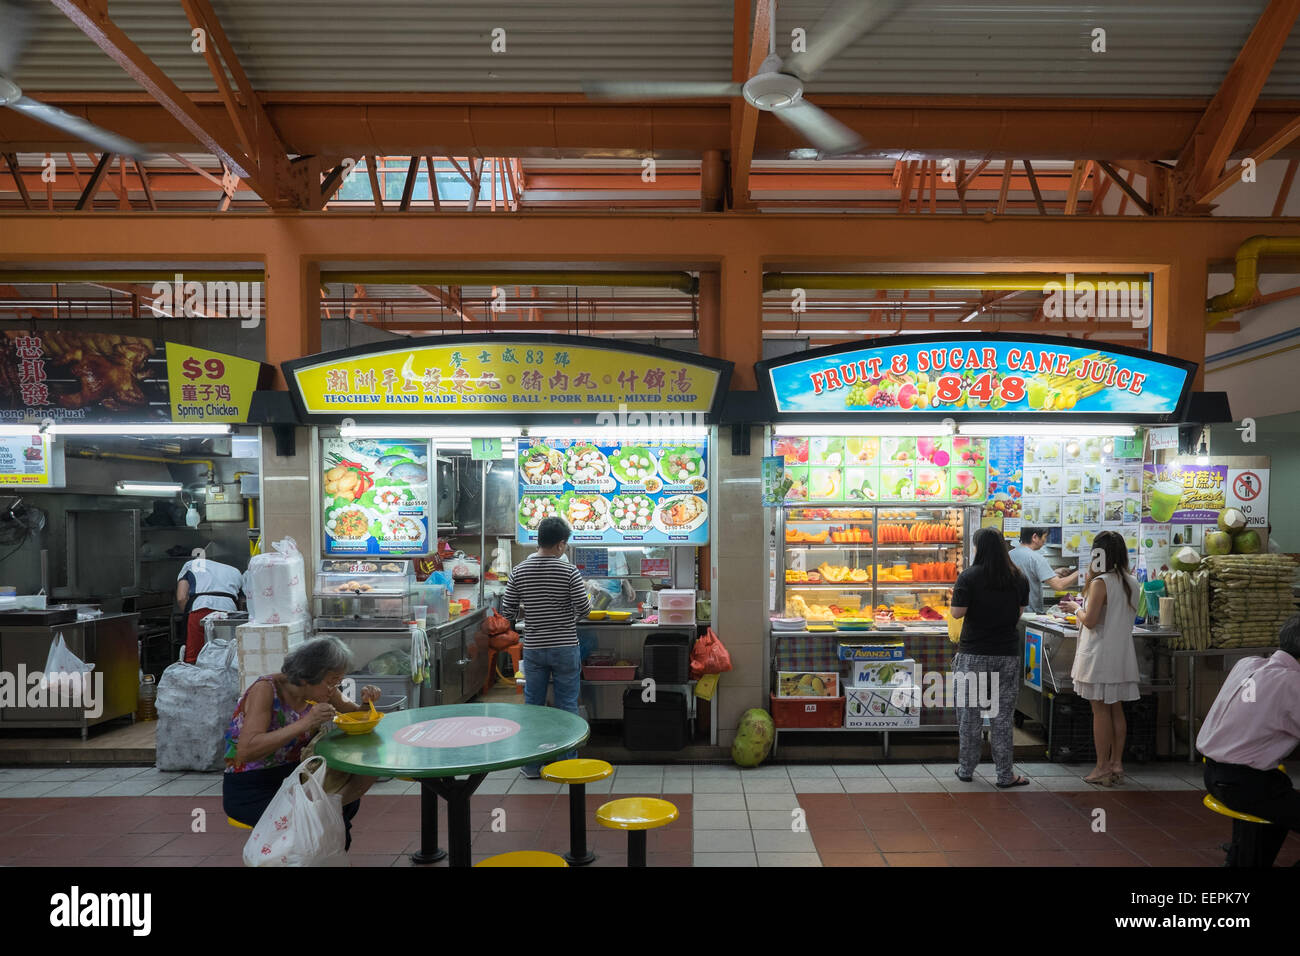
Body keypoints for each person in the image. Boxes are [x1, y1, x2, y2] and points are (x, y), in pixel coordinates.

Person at [222, 636, 381, 850]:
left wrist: (366, 702)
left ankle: (327, 842)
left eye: (338, 681)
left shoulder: (324, 690)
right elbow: (247, 750)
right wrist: (306, 722)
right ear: (308, 676)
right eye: (332, 680)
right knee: (323, 818)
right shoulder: (266, 689)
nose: (334, 687)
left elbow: (354, 715)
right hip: (252, 786)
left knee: (358, 782)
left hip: (295, 776)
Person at [1198, 614, 1300, 867]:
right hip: (1248, 785)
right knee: (1279, 799)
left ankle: (1244, 858)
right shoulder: (1292, 683)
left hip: (1213, 774)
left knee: (1281, 799)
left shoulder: (1247, 664)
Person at [500, 516, 591, 778]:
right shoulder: (569, 571)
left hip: (535, 647)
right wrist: (566, 616)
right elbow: (584, 609)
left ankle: (531, 765)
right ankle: (566, 764)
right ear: (561, 545)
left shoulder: (519, 571)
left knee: (534, 707)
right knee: (567, 706)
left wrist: (531, 613)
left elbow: (508, 611)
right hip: (564, 646)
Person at [950, 526, 1031, 788]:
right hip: (1006, 654)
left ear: (978, 548)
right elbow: (1018, 613)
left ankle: (966, 769)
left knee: (969, 716)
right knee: (1002, 718)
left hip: (974, 654)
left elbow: (957, 613)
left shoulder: (969, 576)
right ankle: (1005, 775)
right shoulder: (1018, 578)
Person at [1071, 530, 1141, 786]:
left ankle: (1101, 767)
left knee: (1099, 710)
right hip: (1122, 654)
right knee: (1116, 708)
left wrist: (1076, 608)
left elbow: (1090, 621)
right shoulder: (1131, 581)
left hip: (1100, 656)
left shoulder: (1101, 582)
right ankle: (1116, 764)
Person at [176, 555, 244, 664]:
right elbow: (242, 602)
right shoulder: (235, 571)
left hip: (200, 610)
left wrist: (190, 614)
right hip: (228, 614)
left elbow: (181, 598)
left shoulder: (191, 565)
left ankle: (195, 680)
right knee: (228, 657)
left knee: (194, 658)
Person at [1009, 527, 1079, 614]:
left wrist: (1052, 574)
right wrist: (1081, 571)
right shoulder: (1036, 558)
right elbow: (1059, 585)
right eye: (1045, 537)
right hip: (1030, 614)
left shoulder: (1009, 554)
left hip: (1012, 612)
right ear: (1034, 537)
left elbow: (1027, 576)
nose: (1045, 541)